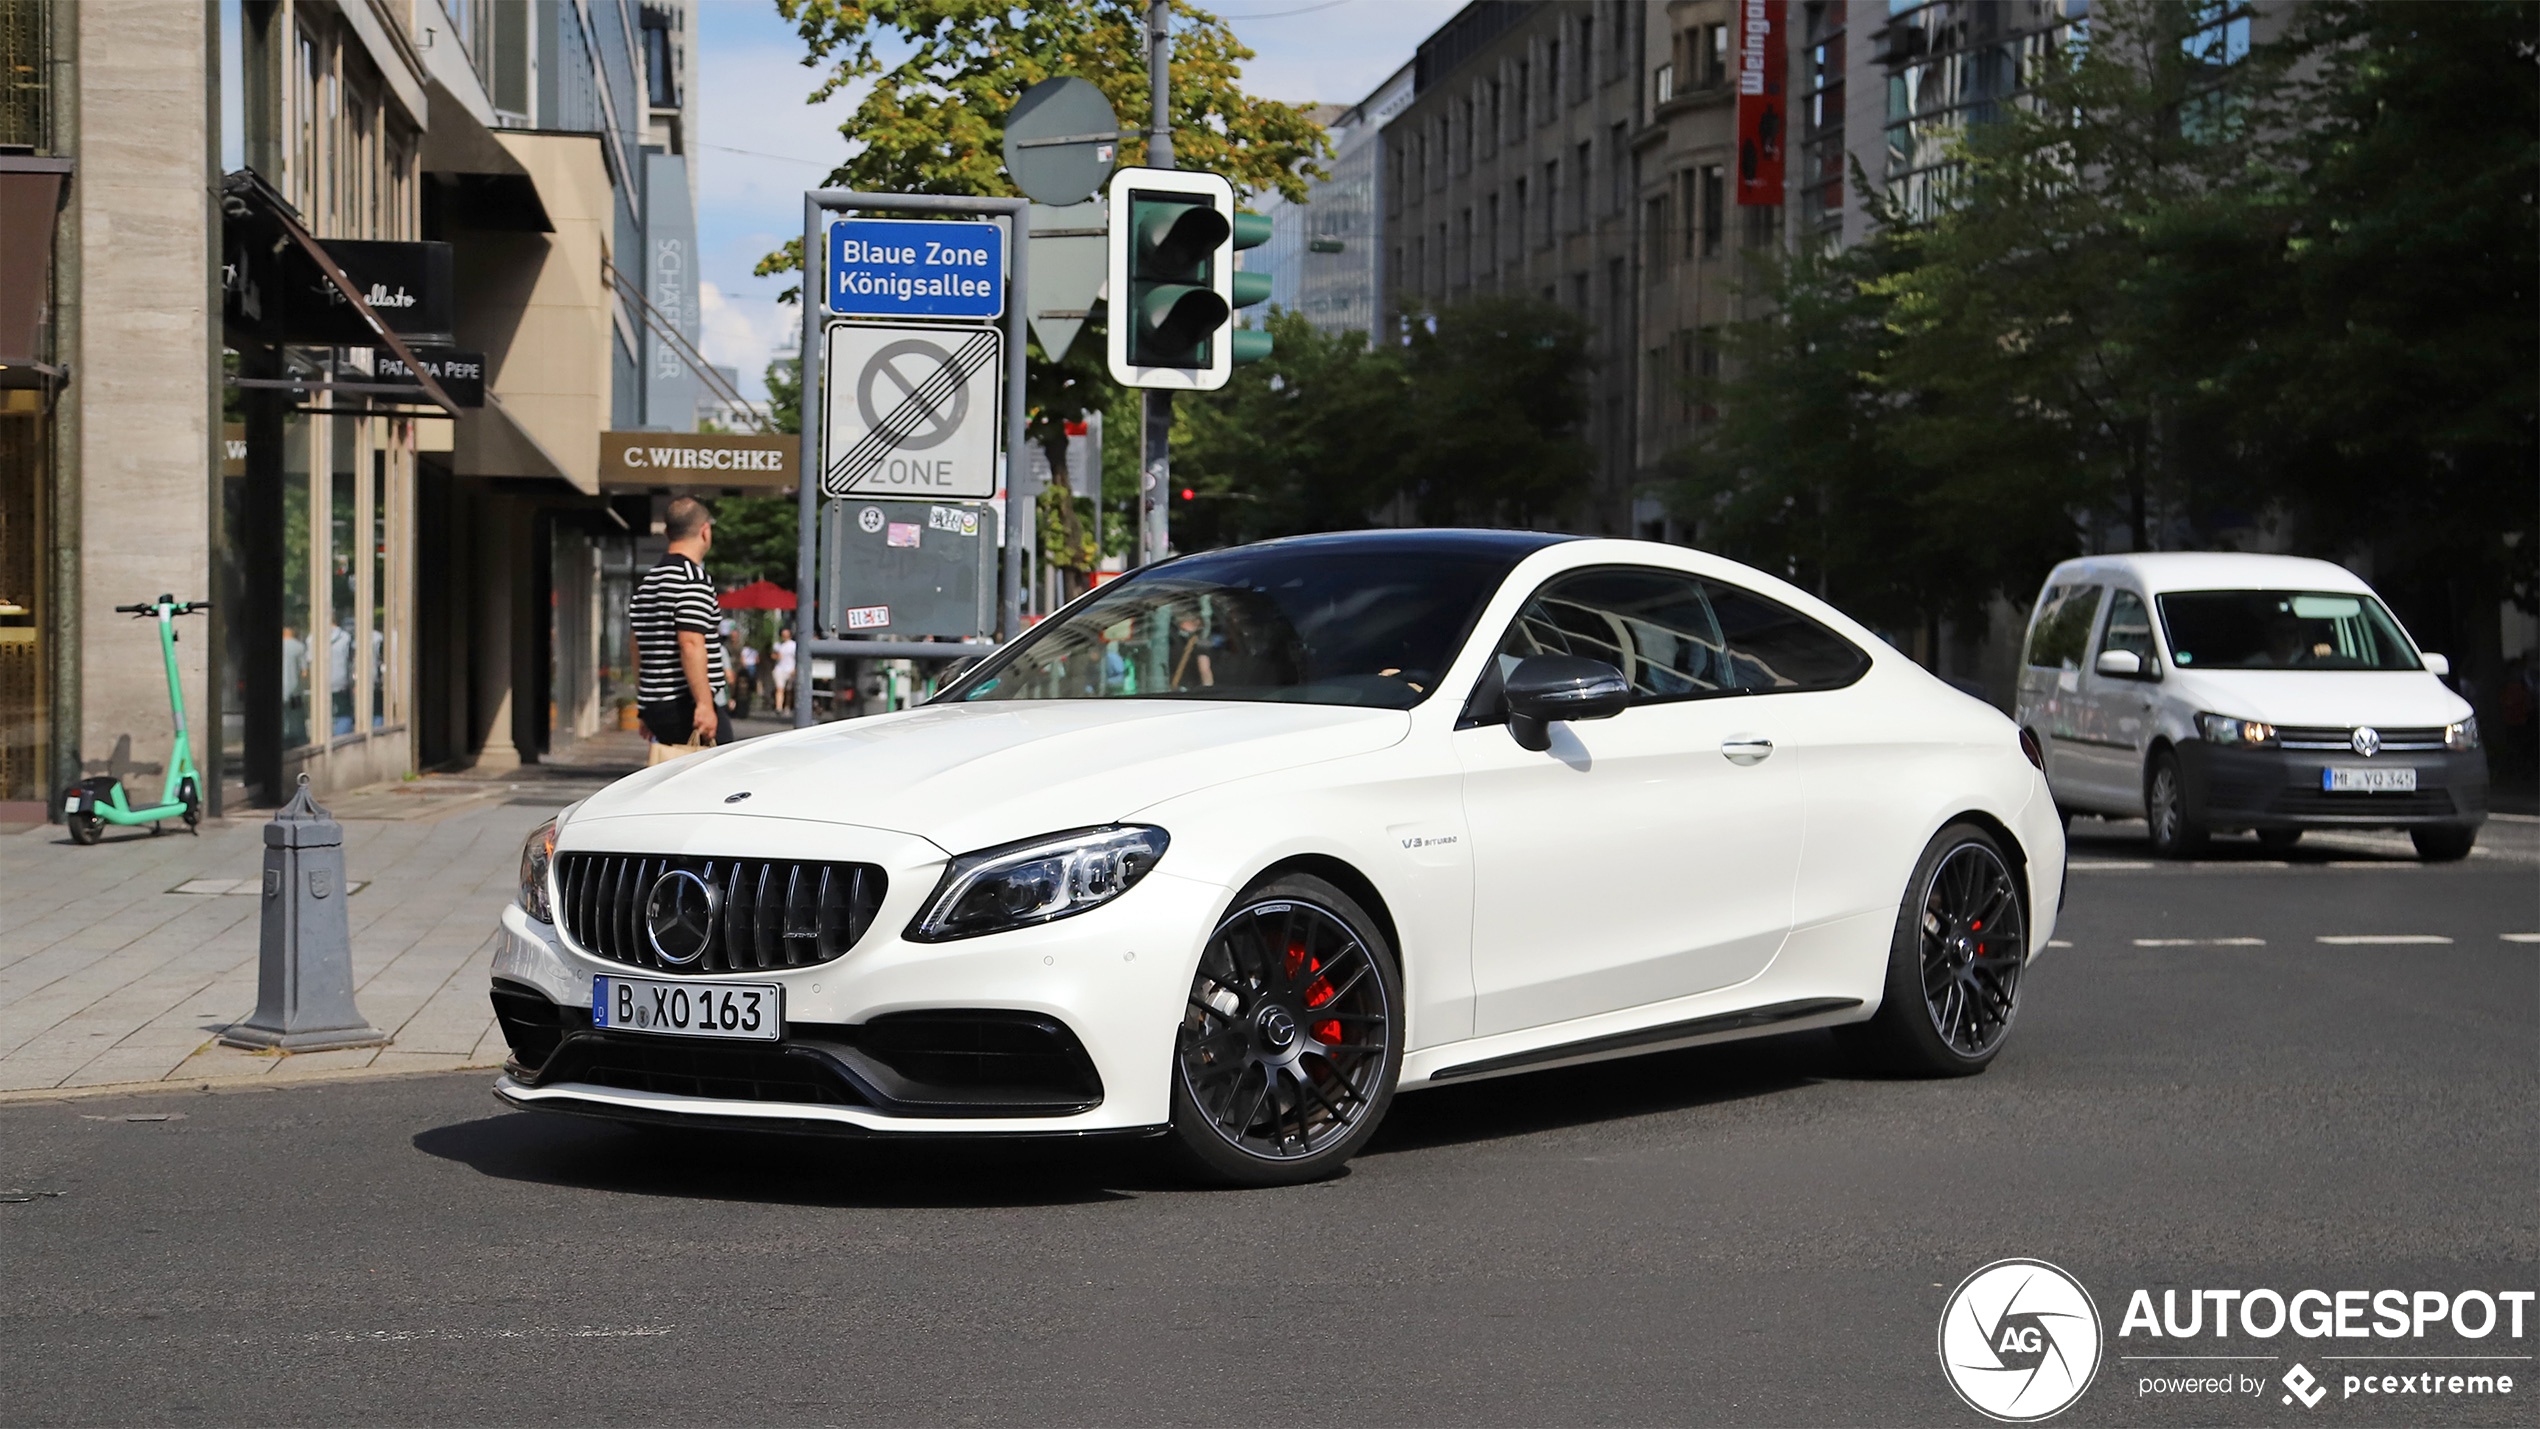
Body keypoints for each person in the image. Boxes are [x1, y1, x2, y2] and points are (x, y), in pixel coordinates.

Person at [631, 496, 732, 748]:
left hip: (656, 707)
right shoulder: (692, 579)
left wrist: (644, 705)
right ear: (705, 531)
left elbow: (636, 644)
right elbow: (690, 643)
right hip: (685, 705)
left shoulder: (648, 582)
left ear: (667, 532)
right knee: (722, 776)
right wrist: (705, 704)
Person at [771, 625, 797, 715]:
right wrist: (776, 656)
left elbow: (797, 657)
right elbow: (773, 655)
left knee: (789, 690)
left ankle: (787, 706)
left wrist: (795, 669)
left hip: (790, 669)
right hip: (779, 669)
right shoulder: (777, 645)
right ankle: (779, 707)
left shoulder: (793, 645)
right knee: (780, 689)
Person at [735, 641, 760, 719]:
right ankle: (753, 688)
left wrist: (744, 665)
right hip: (752, 667)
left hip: (746, 667)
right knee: (751, 684)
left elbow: (742, 658)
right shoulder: (754, 651)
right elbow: (757, 660)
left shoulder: (744, 650)